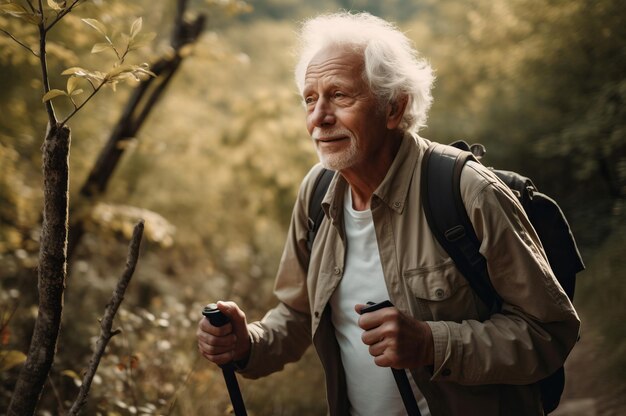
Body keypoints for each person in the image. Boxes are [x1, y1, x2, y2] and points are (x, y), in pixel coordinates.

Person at [196, 11, 580, 416]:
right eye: (310, 99)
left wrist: (431, 343)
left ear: (393, 108)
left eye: (339, 96)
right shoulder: (317, 191)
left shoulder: (469, 191)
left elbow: (549, 331)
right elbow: (295, 313)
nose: (319, 118)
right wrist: (247, 344)